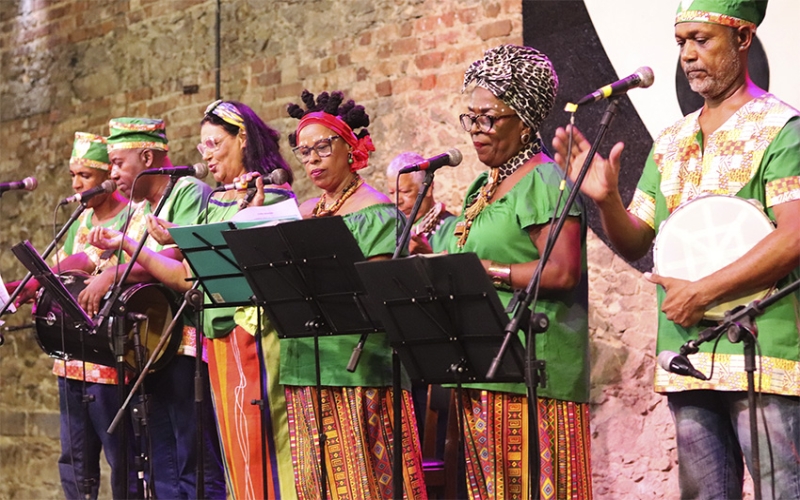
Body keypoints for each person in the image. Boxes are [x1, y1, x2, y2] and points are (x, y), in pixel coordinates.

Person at [551, 1, 800, 497]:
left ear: (744, 39)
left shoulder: (782, 129)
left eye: (701, 40)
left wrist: (702, 291)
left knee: (782, 491)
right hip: (685, 354)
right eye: (681, 41)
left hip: (762, 353)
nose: (687, 54)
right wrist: (606, 202)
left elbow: (793, 236)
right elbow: (637, 239)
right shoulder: (670, 141)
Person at [89, 100, 299, 500]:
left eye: (214, 143)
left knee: (262, 446)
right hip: (220, 338)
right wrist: (169, 242)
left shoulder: (269, 196)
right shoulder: (219, 198)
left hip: (256, 336)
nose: (206, 154)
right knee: (235, 448)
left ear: (242, 139)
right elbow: (187, 277)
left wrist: (138, 248)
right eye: (201, 146)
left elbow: (216, 274)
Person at [446, 45, 592, 499]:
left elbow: (563, 271)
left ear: (525, 119)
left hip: (534, 371)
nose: (476, 131)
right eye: (469, 118)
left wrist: (485, 270)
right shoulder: (482, 186)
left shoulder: (543, 181)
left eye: (488, 118)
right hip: (483, 364)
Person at [284, 90, 427, 499]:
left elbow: (379, 300)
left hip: (360, 371)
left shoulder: (379, 213)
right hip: (306, 368)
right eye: (303, 150)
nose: (311, 158)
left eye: (322, 147)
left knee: (367, 487)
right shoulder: (302, 213)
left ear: (349, 148)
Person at [77, 117, 227, 499]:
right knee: (159, 459)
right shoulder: (142, 209)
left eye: (117, 163)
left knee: (193, 457)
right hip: (151, 346)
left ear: (147, 157)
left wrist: (114, 272)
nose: (112, 174)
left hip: (184, 344)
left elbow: (176, 258)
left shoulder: (188, 191)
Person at [7, 132, 136, 499]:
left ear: (107, 179)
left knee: (119, 455)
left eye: (86, 176)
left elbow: (97, 268)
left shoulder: (130, 216)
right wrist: (27, 292)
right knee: (74, 459)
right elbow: (63, 274)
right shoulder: (77, 224)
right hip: (70, 357)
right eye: (73, 176)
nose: (77, 185)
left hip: (108, 358)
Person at [385, 151, 456, 254]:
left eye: (405, 191)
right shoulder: (393, 231)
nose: (397, 201)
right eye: (391, 193)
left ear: (428, 189)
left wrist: (427, 254)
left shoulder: (452, 228)